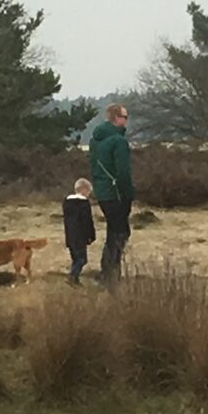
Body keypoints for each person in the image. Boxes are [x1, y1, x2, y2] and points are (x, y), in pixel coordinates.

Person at [88, 103, 134, 284]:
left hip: (103, 193)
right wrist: (128, 193)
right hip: (116, 194)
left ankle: (107, 271)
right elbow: (123, 172)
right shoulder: (119, 142)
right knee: (121, 232)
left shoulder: (94, 141)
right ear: (116, 118)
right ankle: (110, 273)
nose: (126, 121)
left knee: (113, 231)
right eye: (125, 117)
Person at [62, 176, 96, 284]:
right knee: (82, 259)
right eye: (89, 192)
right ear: (84, 190)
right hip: (80, 237)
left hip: (70, 236)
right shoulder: (84, 204)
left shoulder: (66, 203)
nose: (89, 194)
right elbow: (87, 221)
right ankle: (72, 277)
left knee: (75, 259)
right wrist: (91, 235)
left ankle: (75, 280)